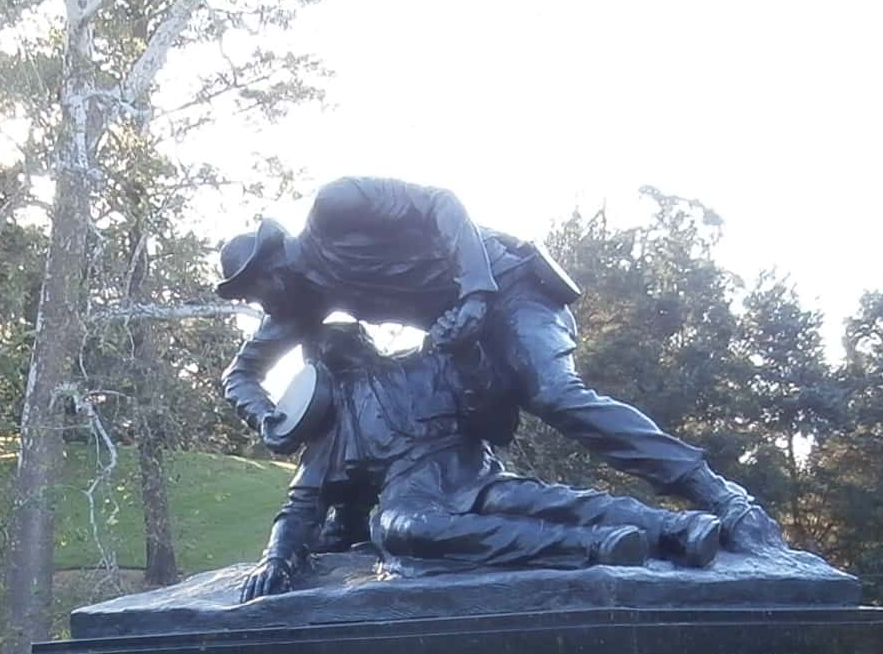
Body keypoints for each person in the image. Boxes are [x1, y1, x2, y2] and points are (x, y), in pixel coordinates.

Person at [218, 175, 788, 553]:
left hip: (506, 283)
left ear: (273, 265)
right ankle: (350, 517)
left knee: (553, 393)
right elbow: (239, 376)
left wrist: (474, 293)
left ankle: (717, 495)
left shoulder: (336, 207)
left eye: (251, 291)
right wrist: (271, 418)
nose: (255, 305)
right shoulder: (303, 303)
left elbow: (441, 205)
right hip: (461, 330)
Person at [240, 314, 724, 598]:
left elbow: (494, 417)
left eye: (351, 340)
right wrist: (276, 559)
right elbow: (302, 503)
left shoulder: (428, 363)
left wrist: (470, 359)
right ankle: (598, 546)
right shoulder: (337, 419)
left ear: (368, 342)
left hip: (473, 469)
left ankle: (678, 528)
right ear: (323, 369)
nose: (344, 350)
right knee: (402, 529)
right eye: (332, 352)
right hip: (415, 495)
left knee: (549, 500)